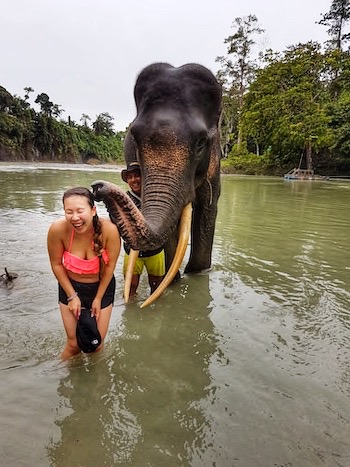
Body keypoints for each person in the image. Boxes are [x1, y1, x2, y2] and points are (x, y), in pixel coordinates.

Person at [47, 187, 121, 360]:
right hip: (70, 287)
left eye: (80, 211)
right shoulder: (58, 230)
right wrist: (72, 296)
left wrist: (98, 298)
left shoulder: (109, 231)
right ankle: (61, 380)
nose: (75, 217)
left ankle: (94, 384)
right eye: (69, 212)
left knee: (96, 344)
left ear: (93, 210)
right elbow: (56, 264)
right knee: (73, 345)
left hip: (102, 288)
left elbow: (110, 268)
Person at [121, 162, 165, 299]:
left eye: (137, 175)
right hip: (132, 250)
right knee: (130, 289)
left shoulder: (158, 195)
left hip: (155, 250)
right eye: (130, 177)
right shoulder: (124, 199)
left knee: (157, 289)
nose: (133, 180)